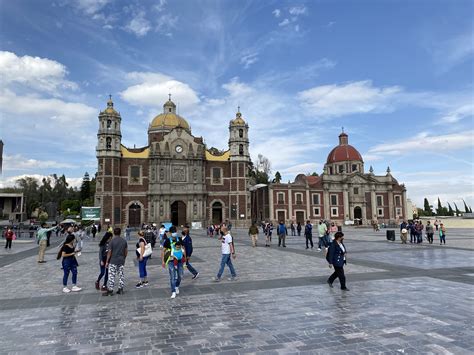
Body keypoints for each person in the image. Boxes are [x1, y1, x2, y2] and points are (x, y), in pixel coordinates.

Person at [161, 227, 185, 299]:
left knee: (180, 275)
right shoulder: (167, 241)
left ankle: (177, 286)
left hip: (180, 260)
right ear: (170, 233)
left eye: (175, 231)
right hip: (171, 261)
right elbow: (163, 251)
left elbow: (183, 249)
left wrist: (185, 259)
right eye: (173, 232)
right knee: (172, 277)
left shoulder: (180, 239)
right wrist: (163, 261)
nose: (174, 233)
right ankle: (173, 291)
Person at [103, 227, 128, 296]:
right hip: (121, 260)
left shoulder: (112, 241)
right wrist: (124, 258)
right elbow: (126, 252)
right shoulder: (124, 241)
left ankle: (110, 290)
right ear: (120, 233)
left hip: (113, 261)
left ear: (114, 233)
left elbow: (109, 252)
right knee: (121, 275)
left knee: (111, 275)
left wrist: (107, 261)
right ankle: (120, 289)